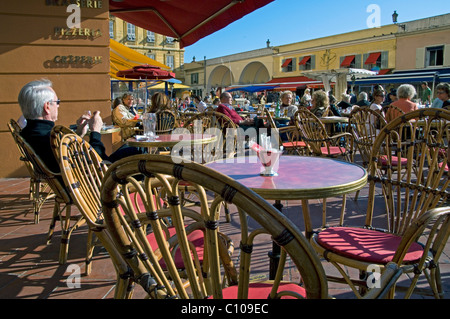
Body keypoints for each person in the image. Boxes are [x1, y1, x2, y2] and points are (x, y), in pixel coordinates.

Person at [18, 79, 144, 175]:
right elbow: (98, 160)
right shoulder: (51, 137)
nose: (58, 106)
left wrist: (79, 133)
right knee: (140, 151)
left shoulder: (31, 133)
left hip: (84, 174)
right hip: (99, 177)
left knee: (132, 146)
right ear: (47, 107)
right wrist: (95, 131)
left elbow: (66, 152)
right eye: (57, 102)